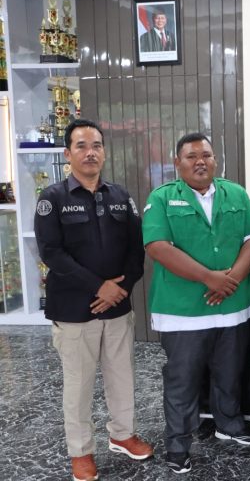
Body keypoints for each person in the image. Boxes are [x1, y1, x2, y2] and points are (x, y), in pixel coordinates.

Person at [35, 119, 153, 481]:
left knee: (122, 377)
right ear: (68, 153)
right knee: (79, 385)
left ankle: (122, 435)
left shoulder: (120, 196)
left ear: (104, 152)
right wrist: (98, 287)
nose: (90, 152)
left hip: (117, 307)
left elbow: (136, 249)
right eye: (82, 146)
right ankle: (81, 451)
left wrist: (121, 287)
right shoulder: (52, 199)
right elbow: (51, 253)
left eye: (97, 145)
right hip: (74, 311)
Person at [143, 132, 250, 474]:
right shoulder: (163, 198)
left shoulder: (236, 193)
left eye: (206, 155)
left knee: (230, 372)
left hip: (233, 305)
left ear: (215, 160)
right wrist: (210, 278)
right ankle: (178, 444)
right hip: (184, 310)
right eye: (192, 156)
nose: (200, 161)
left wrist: (230, 280)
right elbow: (157, 246)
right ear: (177, 163)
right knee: (182, 380)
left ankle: (229, 424)